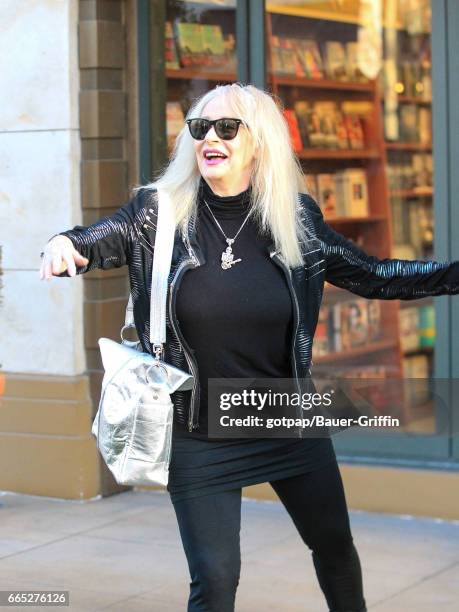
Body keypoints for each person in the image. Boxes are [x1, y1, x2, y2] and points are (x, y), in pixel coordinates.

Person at [39, 83, 459, 612]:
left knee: (333, 547)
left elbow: (375, 276)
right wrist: (66, 244)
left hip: (284, 416)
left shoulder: (294, 217)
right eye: (199, 127)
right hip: (198, 430)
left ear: (258, 141)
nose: (210, 137)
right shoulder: (159, 213)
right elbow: (101, 236)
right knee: (214, 581)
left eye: (227, 127)